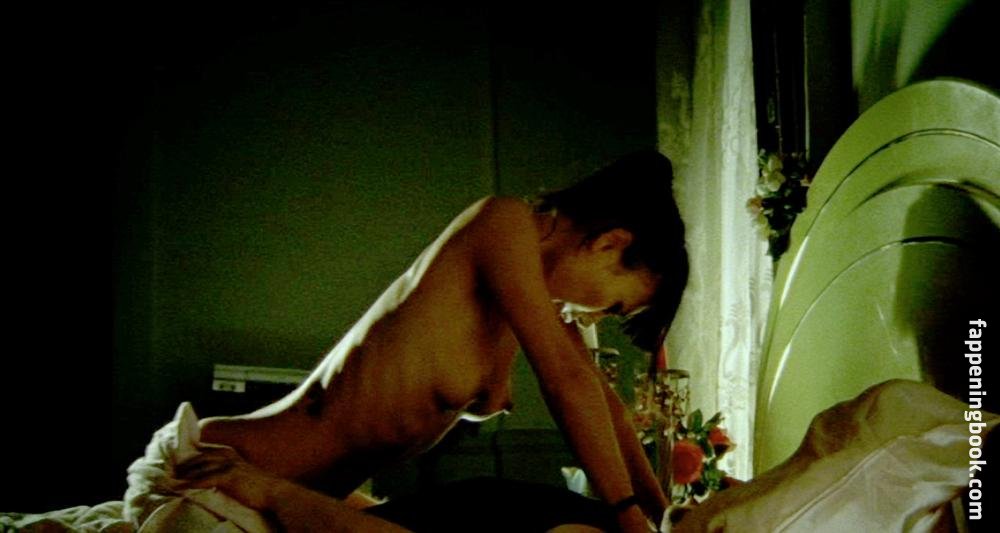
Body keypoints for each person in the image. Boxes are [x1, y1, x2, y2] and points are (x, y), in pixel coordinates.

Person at [125, 149, 689, 532]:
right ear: (610, 243)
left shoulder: (537, 299)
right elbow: (565, 384)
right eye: (614, 303)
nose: (597, 315)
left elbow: (600, 401)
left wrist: (661, 513)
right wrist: (626, 515)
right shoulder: (503, 224)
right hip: (219, 471)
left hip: (294, 498)